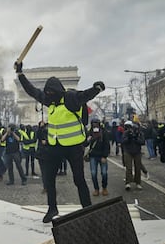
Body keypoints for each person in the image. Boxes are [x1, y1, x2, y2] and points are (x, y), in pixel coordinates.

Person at [15, 61, 105, 223]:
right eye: (47, 93)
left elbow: (85, 95)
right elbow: (32, 91)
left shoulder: (70, 98)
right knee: (49, 179)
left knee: (79, 180)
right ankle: (52, 208)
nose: (48, 96)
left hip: (74, 147)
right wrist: (20, 74)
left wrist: (97, 88)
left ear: (58, 91)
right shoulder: (50, 100)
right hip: (55, 146)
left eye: (51, 93)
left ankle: (87, 209)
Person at [86, 118, 110, 196]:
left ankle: (104, 188)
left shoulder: (103, 132)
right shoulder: (89, 133)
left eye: (96, 123)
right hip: (93, 156)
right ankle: (96, 189)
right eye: (93, 123)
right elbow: (85, 144)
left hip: (102, 156)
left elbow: (107, 145)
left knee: (104, 173)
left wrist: (105, 156)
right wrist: (90, 139)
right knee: (93, 173)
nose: (95, 124)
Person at [122, 120, 145, 191]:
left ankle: (138, 182)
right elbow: (123, 141)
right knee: (129, 168)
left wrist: (136, 138)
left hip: (137, 152)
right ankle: (128, 182)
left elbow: (142, 142)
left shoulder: (140, 133)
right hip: (128, 151)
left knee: (137, 168)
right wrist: (129, 138)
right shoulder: (126, 133)